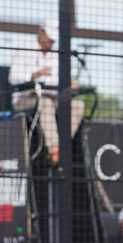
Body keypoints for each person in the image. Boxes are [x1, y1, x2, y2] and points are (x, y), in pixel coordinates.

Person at [9, 19, 85, 166]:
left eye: (53, 39)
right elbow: (13, 78)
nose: (50, 42)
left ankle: (63, 147)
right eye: (49, 37)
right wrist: (36, 74)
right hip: (25, 98)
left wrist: (68, 83)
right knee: (45, 102)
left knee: (77, 105)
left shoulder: (57, 53)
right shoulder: (24, 50)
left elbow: (56, 79)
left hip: (52, 95)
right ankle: (54, 148)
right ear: (40, 31)